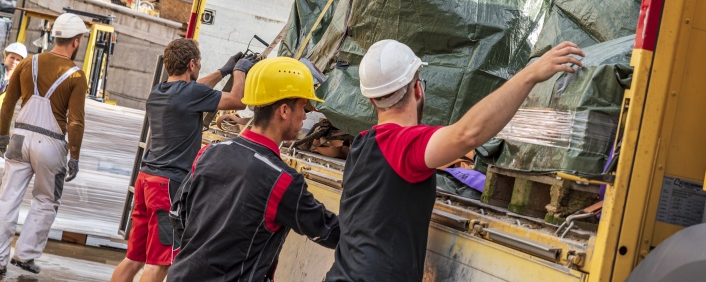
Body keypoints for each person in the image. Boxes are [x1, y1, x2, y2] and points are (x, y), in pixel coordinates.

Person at [324, 39, 584, 281]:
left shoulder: (361, 143)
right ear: (417, 88)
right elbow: (468, 133)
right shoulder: (404, 144)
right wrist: (531, 74)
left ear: (370, 99)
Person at [168, 57, 340, 282]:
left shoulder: (209, 153)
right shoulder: (282, 181)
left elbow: (177, 215)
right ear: (285, 110)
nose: (306, 115)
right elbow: (329, 231)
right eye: (304, 106)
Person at [111, 39, 254, 282]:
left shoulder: (158, 91)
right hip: (166, 186)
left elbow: (196, 88)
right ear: (191, 64)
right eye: (198, 63)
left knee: (134, 258)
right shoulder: (192, 94)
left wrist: (223, 70)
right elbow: (238, 100)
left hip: (145, 181)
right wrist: (240, 71)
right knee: (159, 263)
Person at [0, 13, 90, 276]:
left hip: (19, 137)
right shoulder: (75, 75)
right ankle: (25, 255)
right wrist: (74, 155)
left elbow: (8, 104)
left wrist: (3, 136)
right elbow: (75, 122)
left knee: (7, 198)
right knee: (45, 200)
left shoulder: (28, 63)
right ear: (76, 41)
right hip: (50, 145)